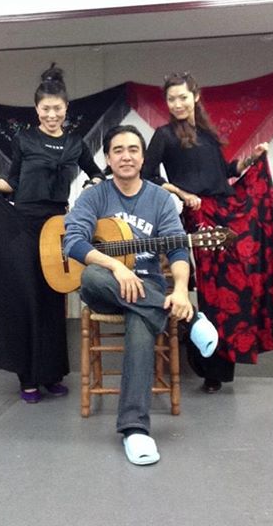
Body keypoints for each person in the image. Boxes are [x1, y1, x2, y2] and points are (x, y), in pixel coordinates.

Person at [0, 64, 104, 403]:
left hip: (57, 229)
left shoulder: (75, 143)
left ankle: (51, 375)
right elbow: (13, 182)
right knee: (26, 301)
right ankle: (28, 378)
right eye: (45, 109)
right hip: (23, 226)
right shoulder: (25, 139)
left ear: (66, 109)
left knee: (52, 301)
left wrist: (90, 186)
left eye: (57, 108)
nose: (52, 114)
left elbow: (97, 174)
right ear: (37, 109)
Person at [142, 71, 273, 393]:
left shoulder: (208, 134)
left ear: (195, 96)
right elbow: (148, 175)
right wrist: (181, 194)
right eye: (171, 99)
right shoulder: (164, 135)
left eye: (182, 97)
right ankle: (210, 366)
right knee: (215, 291)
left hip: (226, 212)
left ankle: (224, 364)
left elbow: (223, 173)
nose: (177, 104)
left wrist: (251, 160)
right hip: (199, 217)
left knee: (237, 287)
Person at [63, 124, 193, 466]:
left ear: (143, 157)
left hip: (148, 285)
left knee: (140, 322)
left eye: (133, 149)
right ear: (108, 158)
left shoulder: (160, 199)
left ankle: (135, 430)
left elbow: (178, 249)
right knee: (91, 275)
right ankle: (189, 320)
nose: (126, 156)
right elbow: (73, 241)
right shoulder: (94, 196)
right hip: (105, 285)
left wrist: (181, 290)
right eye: (118, 150)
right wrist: (116, 268)